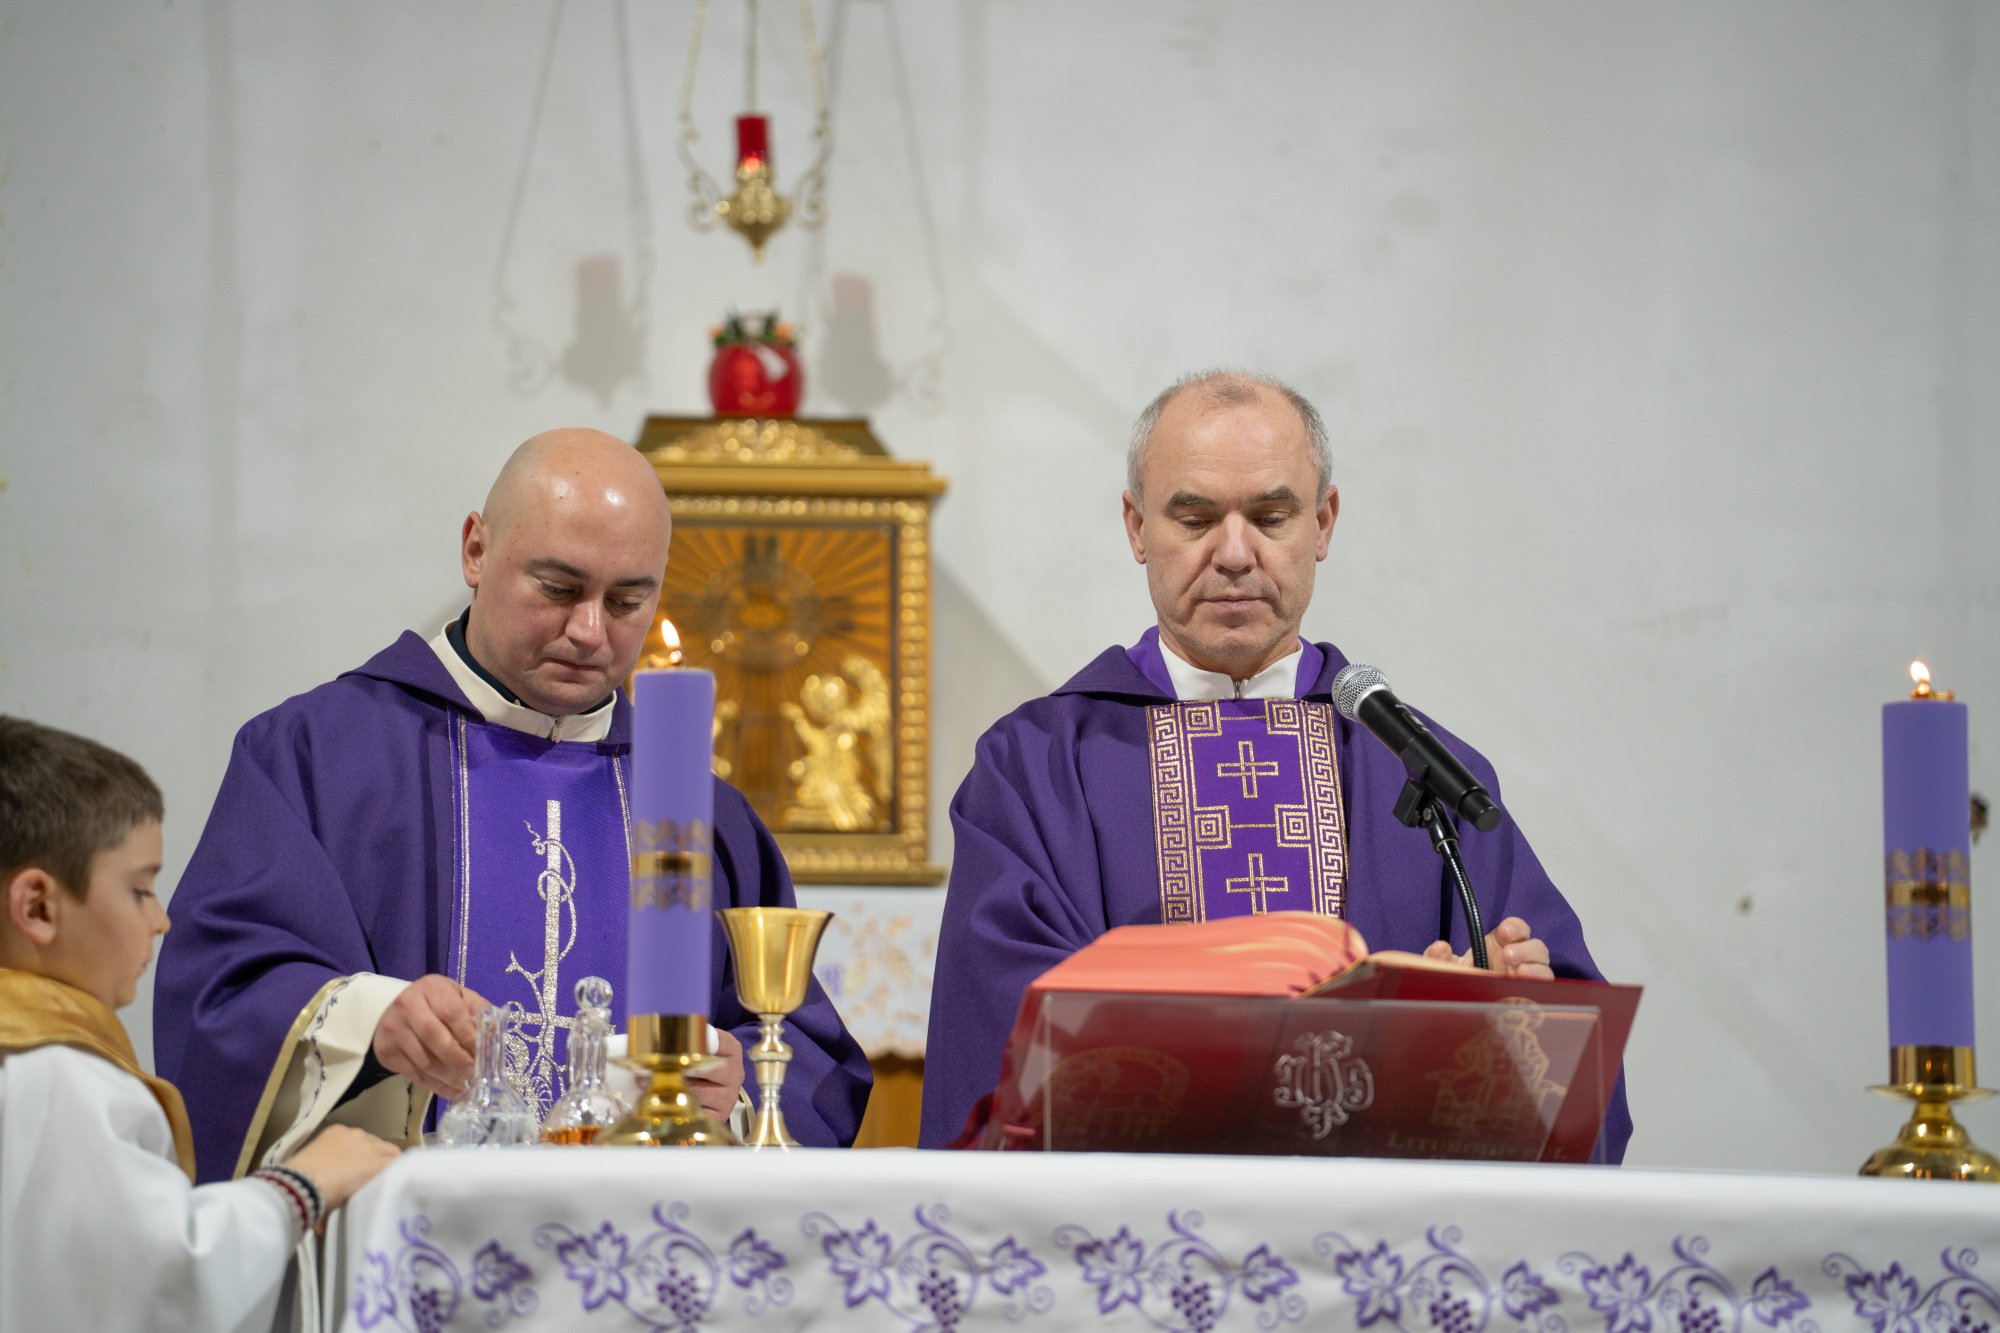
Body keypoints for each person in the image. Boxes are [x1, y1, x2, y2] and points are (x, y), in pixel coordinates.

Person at [921, 371, 1632, 1161]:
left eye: (1270, 516)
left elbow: (1574, 1069)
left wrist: (1494, 1020)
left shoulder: (1425, 771)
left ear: (1322, 523)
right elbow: (1001, 1037)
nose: (1234, 555)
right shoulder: (1034, 771)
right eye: (1194, 517)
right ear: (1137, 527)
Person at [155, 428, 872, 1183]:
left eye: (627, 600)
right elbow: (221, 990)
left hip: (638, 1236)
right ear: (475, 549)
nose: (589, 631)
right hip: (399, 1231)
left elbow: (803, 1048)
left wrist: (739, 1088)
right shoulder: (321, 755)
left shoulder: (702, 813)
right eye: (558, 588)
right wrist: (369, 1021)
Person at [1, 715, 400, 1331]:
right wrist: (304, 1186)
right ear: (38, 906)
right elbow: (154, 1283)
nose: (161, 920)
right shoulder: (56, 1076)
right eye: (140, 890)